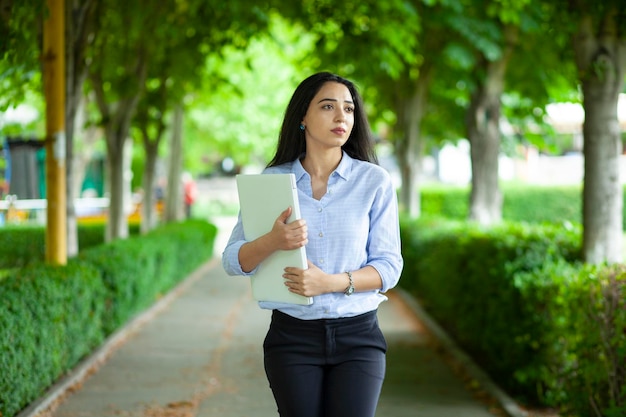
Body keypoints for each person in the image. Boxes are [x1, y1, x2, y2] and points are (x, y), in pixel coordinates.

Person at [222, 72, 403, 417]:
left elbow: (389, 267)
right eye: (328, 106)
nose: (341, 117)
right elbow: (233, 260)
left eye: (349, 109)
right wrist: (272, 241)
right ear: (302, 117)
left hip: (358, 337)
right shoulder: (272, 182)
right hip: (292, 339)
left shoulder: (374, 182)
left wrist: (331, 283)